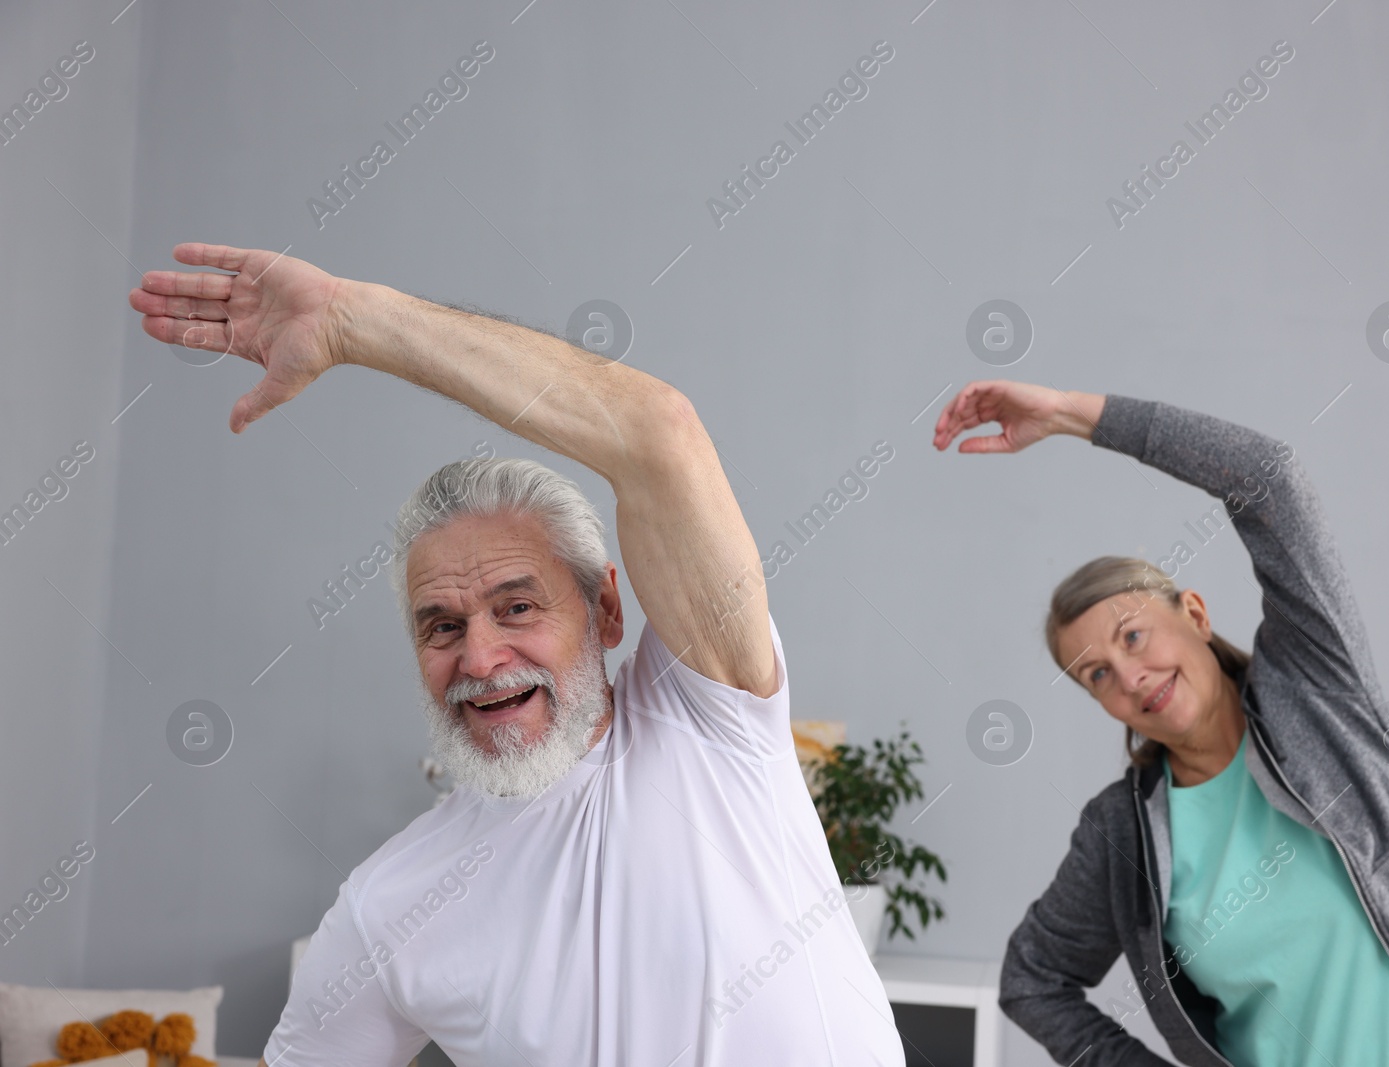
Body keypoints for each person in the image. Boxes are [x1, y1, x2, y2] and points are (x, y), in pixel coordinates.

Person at [127, 243, 906, 1067]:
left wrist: (356, 323)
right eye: (442, 625)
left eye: (518, 606)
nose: (482, 656)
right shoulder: (391, 903)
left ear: (607, 608)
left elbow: (656, 435)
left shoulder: (710, 715)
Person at [931, 381, 1389, 1067]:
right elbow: (1032, 980)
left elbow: (1267, 477)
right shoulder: (1122, 835)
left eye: (1133, 636)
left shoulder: (1317, 694)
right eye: (1097, 673)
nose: (1130, 676)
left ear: (1194, 614)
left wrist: (1073, 416)